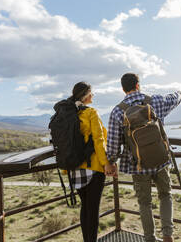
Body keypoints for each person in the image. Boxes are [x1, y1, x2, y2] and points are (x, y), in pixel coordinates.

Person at [105, 73, 181, 242]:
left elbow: (112, 144)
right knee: (166, 195)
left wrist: (111, 162)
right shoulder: (154, 101)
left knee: (145, 203)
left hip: (138, 165)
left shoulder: (118, 111)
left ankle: (149, 238)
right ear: (138, 85)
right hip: (161, 160)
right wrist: (180, 94)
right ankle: (168, 235)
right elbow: (173, 98)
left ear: (123, 89)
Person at [69, 81, 113, 242]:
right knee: (93, 210)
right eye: (91, 93)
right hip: (92, 168)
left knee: (85, 207)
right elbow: (99, 140)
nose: (93, 95)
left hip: (74, 168)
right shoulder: (90, 112)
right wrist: (106, 163)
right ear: (86, 95)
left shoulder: (69, 113)